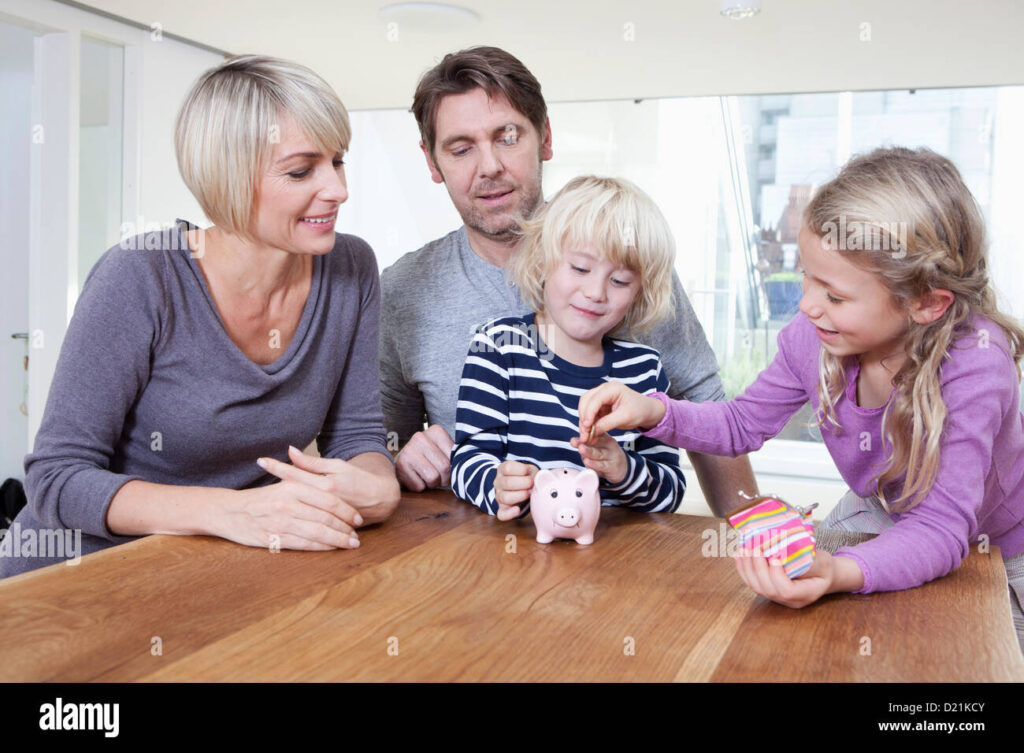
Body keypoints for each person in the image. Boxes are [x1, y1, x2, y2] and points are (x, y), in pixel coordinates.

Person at [576, 147, 1024, 650]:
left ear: (926, 303)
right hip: (883, 509)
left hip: (1000, 548)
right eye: (806, 275)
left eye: (834, 295)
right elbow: (741, 424)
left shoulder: (975, 366)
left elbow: (940, 527)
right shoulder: (815, 337)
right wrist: (653, 410)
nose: (807, 305)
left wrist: (839, 571)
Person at [0, 55, 399, 578]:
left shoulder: (351, 267)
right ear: (229, 178)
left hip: (211, 575)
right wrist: (231, 512)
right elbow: (56, 479)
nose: (338, 190)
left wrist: (379, 485)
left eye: (338, 161)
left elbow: (355, 436)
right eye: (301, 170)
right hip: (65, 582)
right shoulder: (140, 275)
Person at [379, 46, 756, 515]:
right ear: (432, 162)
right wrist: (400, 458)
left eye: (508, 137)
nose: (489, 166)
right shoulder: (402, 290)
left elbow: (704, 411)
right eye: (460, 149)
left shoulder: (626, 257)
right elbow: (381, 444)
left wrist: (754, 526)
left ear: (546, 138)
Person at [451, 176, 686, 518]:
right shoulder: (499, 347)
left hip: (614, 548)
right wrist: (498, 488)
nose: (595, 292)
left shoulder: (644, 370)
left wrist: (624, 470)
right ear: (541, 259)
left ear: (640, 292)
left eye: (619, 280)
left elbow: (671, 492)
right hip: (517, 544)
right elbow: (466, 462)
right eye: (580, 268)